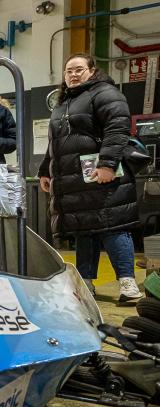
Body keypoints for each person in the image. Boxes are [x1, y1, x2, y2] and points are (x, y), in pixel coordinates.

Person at [38, 53, 141, 303]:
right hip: (76, 178)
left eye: (79, 69)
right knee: (84, 229)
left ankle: (127, 282)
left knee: (113, 226)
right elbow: (55, 143)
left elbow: (117, 129)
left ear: (92, 71)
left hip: (101, 174)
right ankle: (85, 283)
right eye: (69, 71)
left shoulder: (105, 93)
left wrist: (107, 164)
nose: (73, 74)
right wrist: (45, 170)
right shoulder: (63, 103)